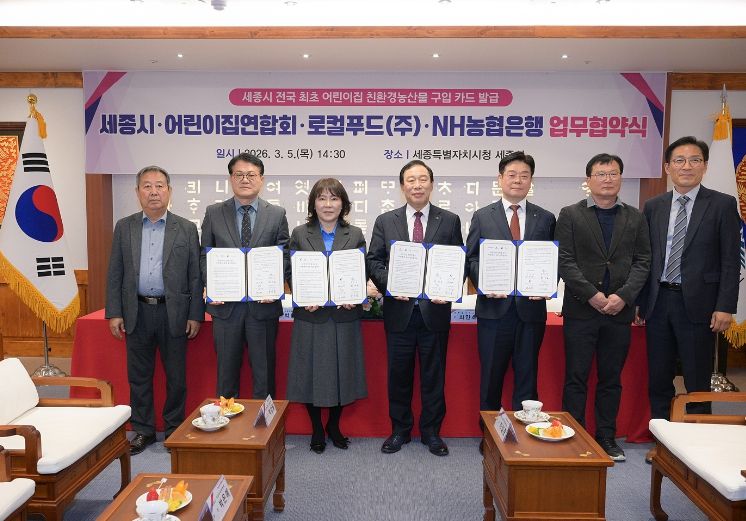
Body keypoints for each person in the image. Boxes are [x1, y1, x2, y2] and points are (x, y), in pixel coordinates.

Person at [556, 153, 650, 462]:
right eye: (600, 174)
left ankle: (606, 436)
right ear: (588, 180)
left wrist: (623, 296)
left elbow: (642, 262)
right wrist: (592, 295)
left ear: (621, 177)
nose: (607, 179)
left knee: (611, 379)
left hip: (619, 312)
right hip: (581, 311)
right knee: (576, 377)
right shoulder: (570, 214)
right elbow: (564, 260)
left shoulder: (635, 217)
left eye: (613, 174)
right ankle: (574, 435)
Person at [639, 136, 740, 424]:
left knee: (697, 379)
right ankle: (661, 435)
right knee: (659, 377)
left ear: (704, 166)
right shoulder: (654, 206)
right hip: (658, 302)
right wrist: (640, 302)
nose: (687, 166)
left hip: (700, 305)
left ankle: (698, 436)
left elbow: (731, 260)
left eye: (694, 160)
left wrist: (725, 306)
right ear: (668, 167)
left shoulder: (722, 204)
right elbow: (646, 257)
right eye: (679, 160)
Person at [367, 160, 464, 456]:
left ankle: (431, 432)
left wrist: (448, 288)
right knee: (399, 376)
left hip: (435, 312)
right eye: (411, 180)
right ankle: (400, 430)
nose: (417, 185)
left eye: (423, 179)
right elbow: (374, 260)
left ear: (432, 184)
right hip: (400, 313)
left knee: (434, 377)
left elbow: (457, 260)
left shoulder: (450, 220)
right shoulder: (386, 220)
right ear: (402, 186)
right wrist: (393, 285)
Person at [105, 165, 204, 455]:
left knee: (176, 378)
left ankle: (174, 429)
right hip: (136, 311)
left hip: (174, 312)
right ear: (137, 192)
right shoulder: (125, 227)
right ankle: (143, 430)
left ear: (169, 191)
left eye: (160, 186)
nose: (154, 192)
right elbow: (115, 272)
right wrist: (115, 311)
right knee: (139, 376)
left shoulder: (186, 228)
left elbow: (195, 276)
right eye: (147, 186)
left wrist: (194, 314)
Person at [466, 151, 556, 422]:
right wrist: (485, 282)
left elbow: (554, 260)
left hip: (530, 312)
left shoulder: (546, 218)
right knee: (491, 379)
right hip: (494, 311)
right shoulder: (482, 216)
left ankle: (524, 434)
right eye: (512, 175)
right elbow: (471, 258)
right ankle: (489, 435)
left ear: (531, 181)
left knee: (527, 380)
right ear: (500, 179)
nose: (518, 180)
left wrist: (547, 284)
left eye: (524, 176)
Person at [286, 178, 368, 454]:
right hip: (311, 316)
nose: (328, 204)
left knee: (344, 373)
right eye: (322, 198)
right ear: (313, 203)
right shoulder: (300, 233)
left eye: (334, 198)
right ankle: (317, 429)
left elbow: (361, 270)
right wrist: (303, 295)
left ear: (343, 204)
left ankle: (333, 425)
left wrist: (355, 294)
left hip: (344, 316)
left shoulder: (354, 234)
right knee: (309, 374)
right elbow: (291, 271)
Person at [200, 153, 290, 399]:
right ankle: (227, 422)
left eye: (251, 174)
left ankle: (265, 423)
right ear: (231, 178)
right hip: (225, 308)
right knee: (226, 376)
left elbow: (284, 254)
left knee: (264, 375)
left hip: (263, 307)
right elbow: (204, 254)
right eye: (239, 174)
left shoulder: (276, 214)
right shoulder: (214, 213)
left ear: (261, 179)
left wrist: (274, 285)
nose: (245, 179)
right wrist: (211, 285)